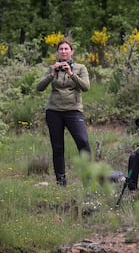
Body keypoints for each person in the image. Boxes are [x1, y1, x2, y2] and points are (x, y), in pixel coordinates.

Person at [37, 39, 91, 186]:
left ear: (71, 51)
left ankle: (87, 179)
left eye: (66, 49)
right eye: (61, 49)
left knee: (83, 142)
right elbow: (39, 87)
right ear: (58, 52)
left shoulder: (81, 67)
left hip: (73, 111)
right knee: (58, 147)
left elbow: (86, 87)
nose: (64, 51)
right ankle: (61, 181)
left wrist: (71, 73)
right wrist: (51, 74)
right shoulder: (52, 68)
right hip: (54, 111)